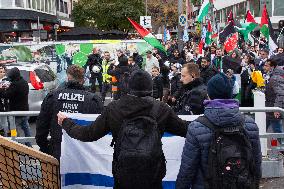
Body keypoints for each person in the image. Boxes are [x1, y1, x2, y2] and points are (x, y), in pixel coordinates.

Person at [58, 69, 188, 189]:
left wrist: (66, 122)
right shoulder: (161, 109)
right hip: (152, 172)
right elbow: (186, 130)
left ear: (129, 86)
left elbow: (88, 134)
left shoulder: (114, 108)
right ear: (150, 87)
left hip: (123, 172)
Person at [176, 73, 262, 189]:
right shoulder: (250, 124)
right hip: (241, 183)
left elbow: (187, 169)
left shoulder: (196, 127)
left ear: (208, 95)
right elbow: (256, 164)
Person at [36, 65, 103, 160]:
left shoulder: (53, 96)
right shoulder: (93, 100)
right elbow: (100, 129)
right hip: (84, 155)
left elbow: (42, 126)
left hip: (58, 152)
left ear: (68, 78)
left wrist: (45, 148)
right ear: (83, 79)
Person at [0, 67, 31, 147]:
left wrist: (2, 90)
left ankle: (18, 145)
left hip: (16, 112)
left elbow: (6, 95)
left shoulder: (15, 85)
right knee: (26, 128)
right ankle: (29, 144)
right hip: (25, 110)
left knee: (13, 128)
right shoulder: (24, 82)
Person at [263, 58, 284, 137]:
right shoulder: (272, 76)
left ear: (272, 67)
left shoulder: (275, 77)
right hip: (270, 107)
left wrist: (276, 109)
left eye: (266, 66)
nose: (264, 67)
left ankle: (282, 146)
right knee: (262, 128)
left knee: (277, 130)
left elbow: (280, 94)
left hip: (273, 109)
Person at [0, 65, 10, 136]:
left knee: (5, 123)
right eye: (0, 72)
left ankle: (6, 139)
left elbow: (7, 94)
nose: (2, 73)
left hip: (4, 106)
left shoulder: (6, 81)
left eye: (3, 72)